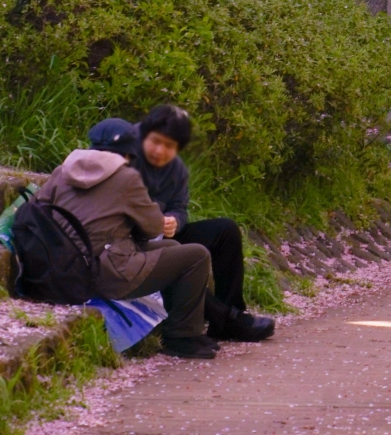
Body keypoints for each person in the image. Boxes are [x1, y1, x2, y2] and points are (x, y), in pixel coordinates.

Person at [98, 105, 275, 344]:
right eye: (156, 142)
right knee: (185, 259)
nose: (161, 151)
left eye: (170, 146)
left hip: (162, 237)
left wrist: (174, 221)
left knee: (225, 230)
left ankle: (232, 311)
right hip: (128, 244)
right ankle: (227, 320)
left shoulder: (176, 170)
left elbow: (180, 208)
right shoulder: (123, 155)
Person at [33, 146, 218, 360]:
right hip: (106, 272)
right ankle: (181, 338)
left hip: (66, 268)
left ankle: (176, 328)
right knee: (197, 255)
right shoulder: (125, 180)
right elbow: (151, 228)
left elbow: (34, 208)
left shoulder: (62, 173)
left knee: (171, 248)